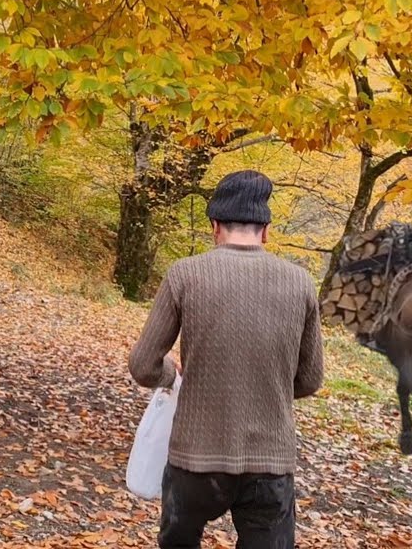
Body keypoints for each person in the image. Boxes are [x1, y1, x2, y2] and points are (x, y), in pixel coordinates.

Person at [129, 169, 324, 549]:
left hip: (194, 458)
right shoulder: (300, 282)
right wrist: (268, 385)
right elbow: (310, 379)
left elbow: (143, 365)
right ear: (266, 230)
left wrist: (176, 376)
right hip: (271, 461)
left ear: (215, 225)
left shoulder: (185, 274)